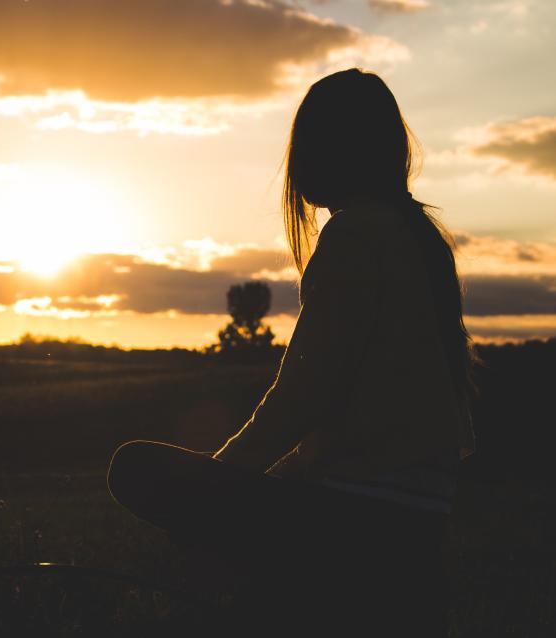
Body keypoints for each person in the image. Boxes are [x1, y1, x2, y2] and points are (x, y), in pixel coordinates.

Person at [107, 68, 478, 637]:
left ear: (331, 150)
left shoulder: (356, 235)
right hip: (420, 520)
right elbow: (341, 412)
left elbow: (302, 396)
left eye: (305, 142)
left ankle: (290, 577)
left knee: (134, 465)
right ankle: (279, 585)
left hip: (356, 520)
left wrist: (217, 481)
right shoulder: (422, 239)